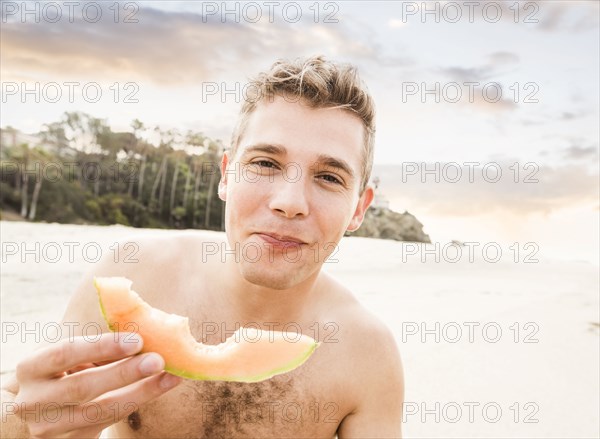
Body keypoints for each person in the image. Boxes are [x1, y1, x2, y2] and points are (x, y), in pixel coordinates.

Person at [1, 55, 404, 438]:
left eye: (329, 177)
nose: (290, 202)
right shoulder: (130, 273)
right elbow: (30, 407)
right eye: (265, 163)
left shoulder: (367, 354)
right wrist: (24, 426)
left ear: (359, 209)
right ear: (227, 176)